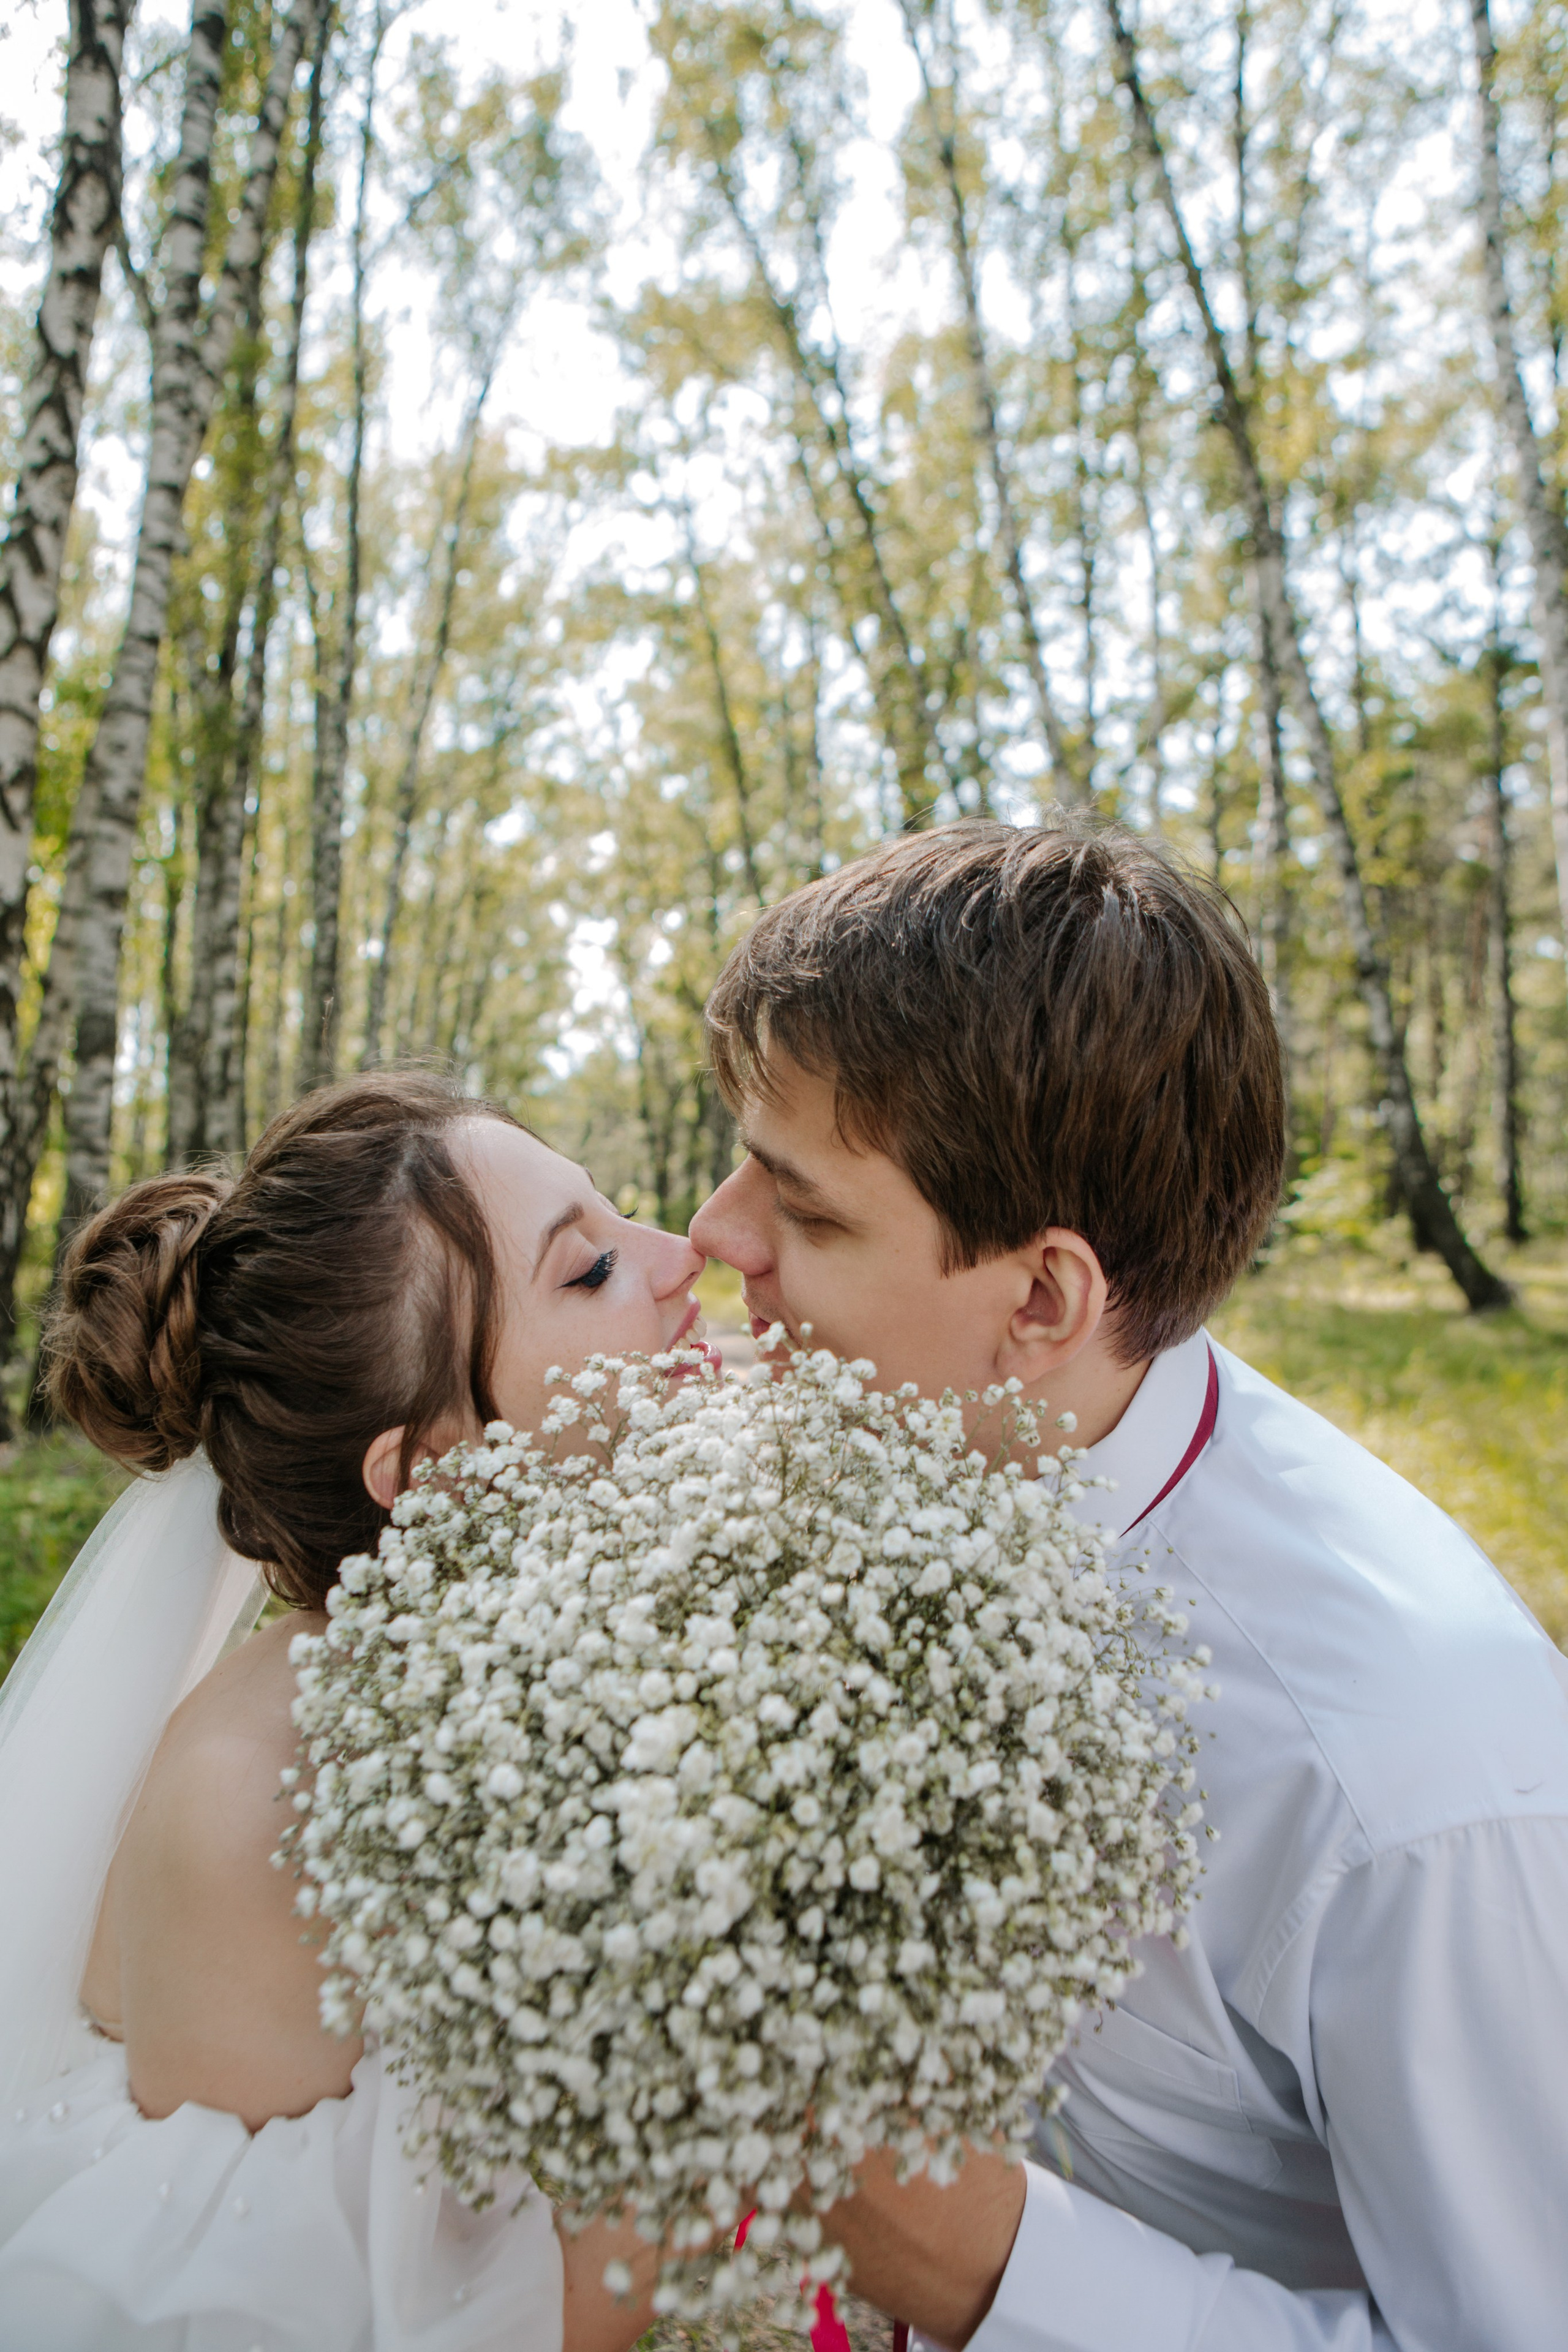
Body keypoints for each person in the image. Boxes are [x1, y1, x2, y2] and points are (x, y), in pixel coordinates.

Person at [692, 816, 1568, 2352]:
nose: (712, 1235)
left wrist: (983, 2267)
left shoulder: (1403, 1789)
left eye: (805, 1209)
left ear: (1042, 1296)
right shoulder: (891, 1462)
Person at [0, 1069, 722, 2352]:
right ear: (427, 1468)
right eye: (589, 1271)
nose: (680, 1259)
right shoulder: (258, 1799)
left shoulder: (548, 1629)